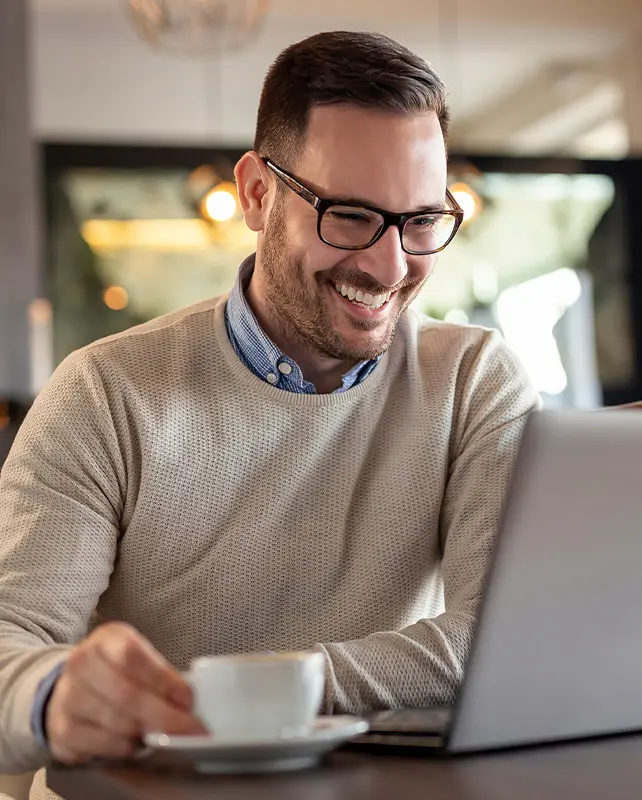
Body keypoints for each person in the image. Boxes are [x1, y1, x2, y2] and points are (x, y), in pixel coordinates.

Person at [0, 30, 537, 798]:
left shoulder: (475, 382)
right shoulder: (103, 394)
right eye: (350, 215)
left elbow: (506, 638)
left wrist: (260, 691)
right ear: (258, 194)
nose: (390, 267)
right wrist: (55, 693)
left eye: (421, 221)